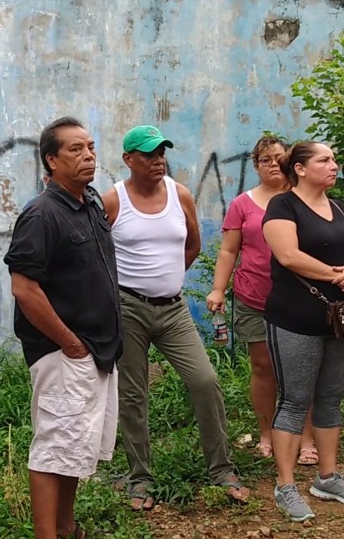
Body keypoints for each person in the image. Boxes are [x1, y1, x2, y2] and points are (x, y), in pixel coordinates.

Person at [104, 125, 248, 511]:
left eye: (161, 152)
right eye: (148, 154)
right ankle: (140, 478)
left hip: (173, 307)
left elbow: (194, 243)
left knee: (205, 380)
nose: (158, 160)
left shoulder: (178, 193)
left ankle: (221, 468)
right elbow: (97, 257)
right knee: (133, 394)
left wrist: (167, 279)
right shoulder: (113, 201)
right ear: (128, 159)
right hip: (128, 308)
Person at [4, 117, 121, 539]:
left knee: (76, 449)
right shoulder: (41, 214)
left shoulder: (90, 203)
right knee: (55, 448)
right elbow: (24, 288)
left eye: (90, 146)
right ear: (50, 161)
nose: (88, 155)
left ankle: (67, 528)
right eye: (75, 149)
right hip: (65, 352)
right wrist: (70, 344)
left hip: (97, 350)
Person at [262, 141, 344, 521]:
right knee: (295, 400)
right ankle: (286, 486)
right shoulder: (283, 206)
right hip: (295, 319)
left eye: (334, 159)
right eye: (325, 160)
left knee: (330, 397)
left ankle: (327, 477)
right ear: (301, 168)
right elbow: (288, 255)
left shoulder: (341, 208)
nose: (334, 165)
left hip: (342, 320)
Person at [206, 135, 317, 466]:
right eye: (265, 159)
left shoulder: (302, 198)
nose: (273, 164)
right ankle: (267, 433)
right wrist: (217, 289)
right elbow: (229, 250)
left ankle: (305, 436)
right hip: (254, 297)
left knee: (302, 370)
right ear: (255, 166)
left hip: (300, 297)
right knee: (263, 366)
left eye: (278, 158)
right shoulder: (243, 203)